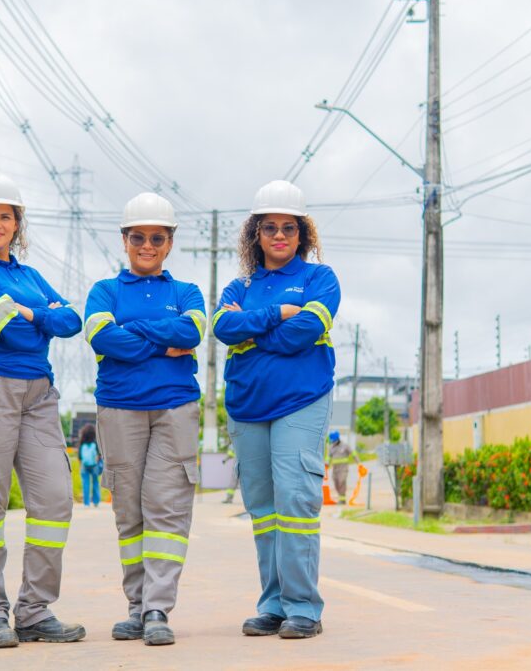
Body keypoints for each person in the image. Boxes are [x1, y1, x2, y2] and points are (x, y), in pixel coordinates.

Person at [0, 170, 85, 649]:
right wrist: (37, 318)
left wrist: (34, 314)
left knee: (53, 499)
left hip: (37, 394)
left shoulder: (27, 275)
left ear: (17, 223)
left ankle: (34, 610)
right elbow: (9, 329)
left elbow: (73, 320)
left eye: (5, 216)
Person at [213, 179, 341, 640]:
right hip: (247, 406)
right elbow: (223, 328)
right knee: (264, 509)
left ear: (302, 233)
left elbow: (301, 334)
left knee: (296, 501)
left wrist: (255, 331)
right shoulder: (240, 284)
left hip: (300, 403)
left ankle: (303, 606)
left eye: (289, 227)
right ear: (256, 234)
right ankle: (273, 604)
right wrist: (276, 314)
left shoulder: (319, 279)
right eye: (270, 228)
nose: (280, 236)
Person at [84, 192, 205, 646]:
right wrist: (161, 339)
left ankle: (158, 608)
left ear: (170, 242)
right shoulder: (105, 291)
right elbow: (102, 337)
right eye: (139, 237)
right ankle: (135, 607)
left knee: (167, 509)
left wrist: (131, 330)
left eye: (157, 238)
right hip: (119, 408)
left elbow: (192, 330)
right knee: (129, 511)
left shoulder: (187, 292)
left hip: (176, 407)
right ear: (125, 240)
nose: (147, 245)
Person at [327, 431, 360, 503]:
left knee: (341, 482)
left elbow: (353, 454)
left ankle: (342, 500)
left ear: (338, 439)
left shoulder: (345, 446)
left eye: (334, 441)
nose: (333, 442)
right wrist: (326, 464)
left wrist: (358, 463)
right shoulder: (331, 447)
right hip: (335, 469)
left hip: (343, 468)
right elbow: (328, 457)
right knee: (336, 483)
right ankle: (341, 496)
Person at [78, 424, 102, 507]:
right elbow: (98, 455)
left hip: (84, 466)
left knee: (86, 484)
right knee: (95, 482)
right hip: (94, 465)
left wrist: (80, 467)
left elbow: (79, 457)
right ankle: (96, 501)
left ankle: (86, 503)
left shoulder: (82, 445)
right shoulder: (95, 444)